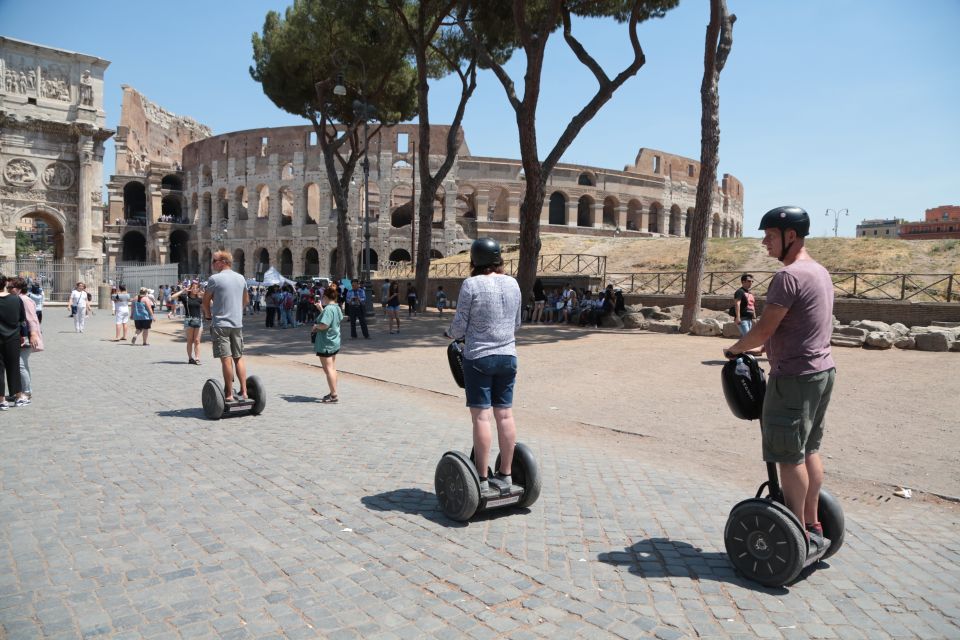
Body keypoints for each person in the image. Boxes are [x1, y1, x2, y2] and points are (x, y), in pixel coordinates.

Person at [724, 206, 837, 557]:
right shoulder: (819, 271)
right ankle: (813, 524)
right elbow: (798, 326)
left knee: (788, 457)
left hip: (793, 378)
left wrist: (737, 348)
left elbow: (765, 326)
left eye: (770, 235)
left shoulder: (788, 277)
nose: (764, 242)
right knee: (809, 450)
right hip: (822, 372)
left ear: (791, 236)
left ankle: (798, 532)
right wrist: (762, 347)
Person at [446, 238, 522, 492]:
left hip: (479, 357)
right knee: (505, 414)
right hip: (508, 356)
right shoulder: (513, 283)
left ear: (474, 260)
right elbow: (517, 323)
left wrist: (448, 334)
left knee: (481, 417)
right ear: (498, 259)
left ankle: (481, 477)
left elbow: (459, 326)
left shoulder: (471, 284)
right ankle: (507, 474)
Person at [203, 251, 250, 402]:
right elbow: (246, 300)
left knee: (226, 359)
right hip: (237, 324)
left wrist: (209, 315)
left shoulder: (214, 279)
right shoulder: (241, 278)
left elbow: (205, 301)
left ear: (222, 261)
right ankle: (244, 391)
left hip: (221, 324)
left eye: (214, 261)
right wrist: (237, 310)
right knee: (238, 357)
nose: (212, 264)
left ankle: (229, 393)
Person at [8, 277, 41, 406]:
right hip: (20, 336)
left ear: (19, 289)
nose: (9, 290)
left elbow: (32, 319)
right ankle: (20, 391)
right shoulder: (17, 299)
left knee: (21, 364)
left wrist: (33, 334)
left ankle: (26, 392)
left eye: (11, 287)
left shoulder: (24, 300)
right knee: (20, 364)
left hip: (26, 336)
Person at [312, 285, 344, 403]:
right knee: (333, 368)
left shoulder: (329, 309)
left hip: (326, 342)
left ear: (325, 296)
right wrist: (321, 309)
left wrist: (316, 327)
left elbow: (325, 325)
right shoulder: (336, 307)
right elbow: (335, 320)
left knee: (328, 369)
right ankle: (333, 391)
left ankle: (334, 394)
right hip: (334, 341)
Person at [0, 274, 27, 410]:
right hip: (12, 338)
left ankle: (1, 400)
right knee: (13, 367)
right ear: (5, 283)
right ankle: (17, 397)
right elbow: (22, 319)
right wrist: (23, 334)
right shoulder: (16, 300)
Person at [170, 281, 204, 364]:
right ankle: (190, 358)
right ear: (190, 288)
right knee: (190, 340)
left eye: (196, 287)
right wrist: (183, 290)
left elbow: (211, 303)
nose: (195, 289)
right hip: (188, 320)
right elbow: (172, 297)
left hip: (198, 320)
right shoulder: (185, 297)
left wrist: (205, 294)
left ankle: (197, 358)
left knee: (197, 340)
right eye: (193, 287)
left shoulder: (200, 298)